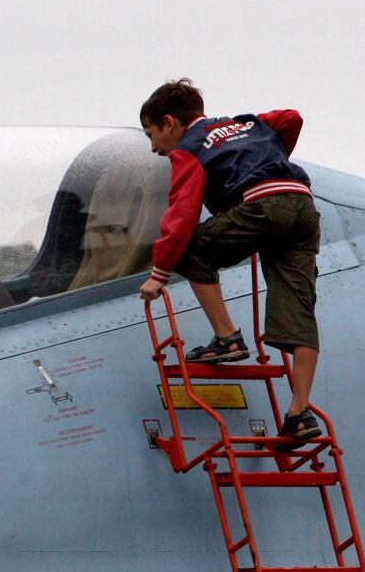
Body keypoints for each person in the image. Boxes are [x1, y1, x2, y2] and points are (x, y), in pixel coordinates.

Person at [137, 78, 323, 447]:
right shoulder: (250, 123)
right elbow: (292, 118)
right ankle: (298, 413)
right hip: (302, 208)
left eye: (151, 134)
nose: (154, 147)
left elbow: (182, 214)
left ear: (170, 122)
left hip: (262, 207)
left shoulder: (188, 148)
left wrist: (159, 274)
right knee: (299, 308)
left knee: (190, 252)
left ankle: (227, 338)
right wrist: (271, 160)